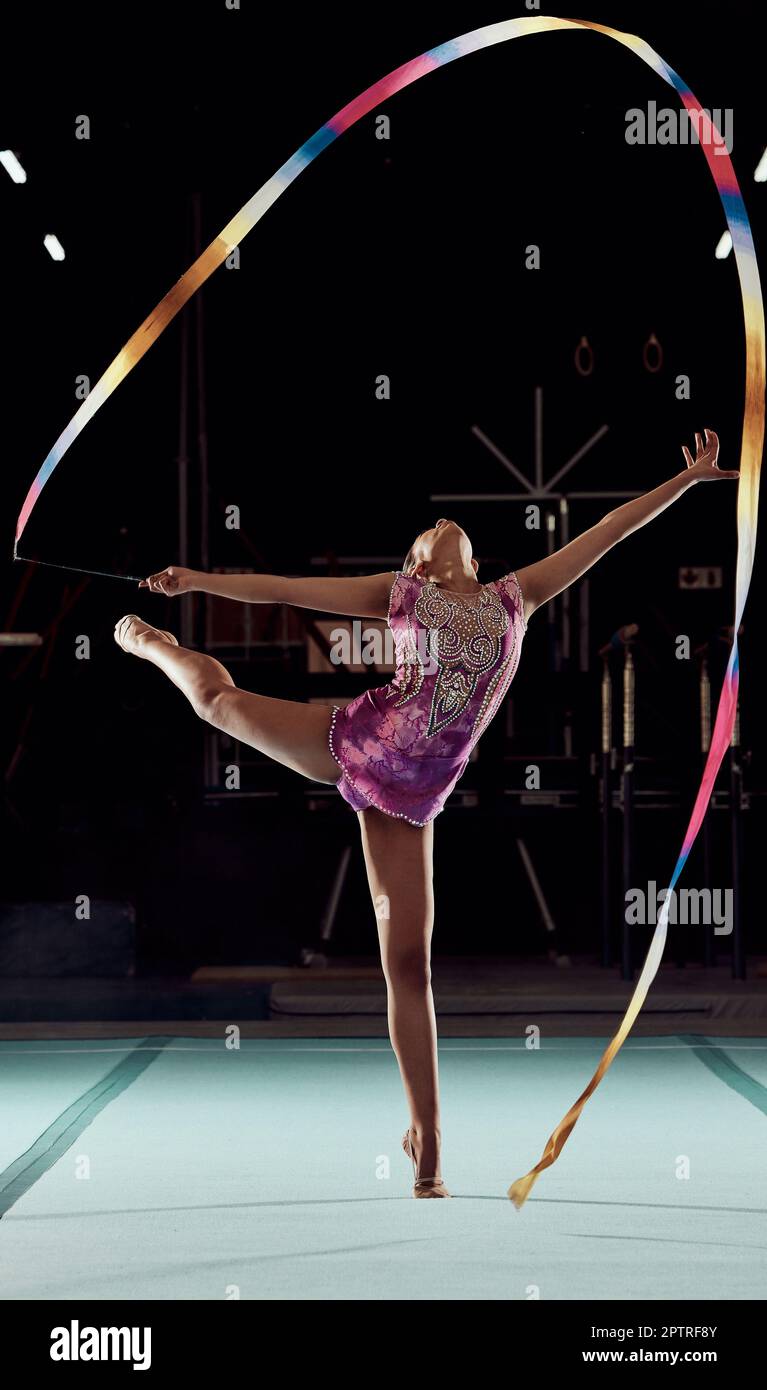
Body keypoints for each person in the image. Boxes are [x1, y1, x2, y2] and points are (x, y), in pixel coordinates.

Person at [115, 428, 735, 1197]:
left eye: (449, 532)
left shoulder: (519, 595)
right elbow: (279, 588)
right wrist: (197, 580)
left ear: (475, 561)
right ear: (416, 562)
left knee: (408, 965)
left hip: (417, 795)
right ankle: (154, 646)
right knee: (216, 700)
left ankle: (425, 1137)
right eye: (423, 533)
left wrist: (685, 481)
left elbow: (607, 531)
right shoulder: (399, 593)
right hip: (358, 740)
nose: (439, 527)